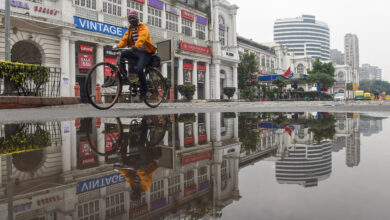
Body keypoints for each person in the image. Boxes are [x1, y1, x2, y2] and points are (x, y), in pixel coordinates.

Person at [115, 11, 157, 100]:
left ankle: (145, 91)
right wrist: (117, 46)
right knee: (122, 54)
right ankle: (124, 76)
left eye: (133, 18)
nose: (131, 20)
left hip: (145, 52)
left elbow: (142, 37)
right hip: (135, 51)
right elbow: (124, 40)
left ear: (137, 19)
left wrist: (136, 46)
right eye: (129, 18)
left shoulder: (143, 27)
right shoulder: (129, 29)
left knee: (139, 69)